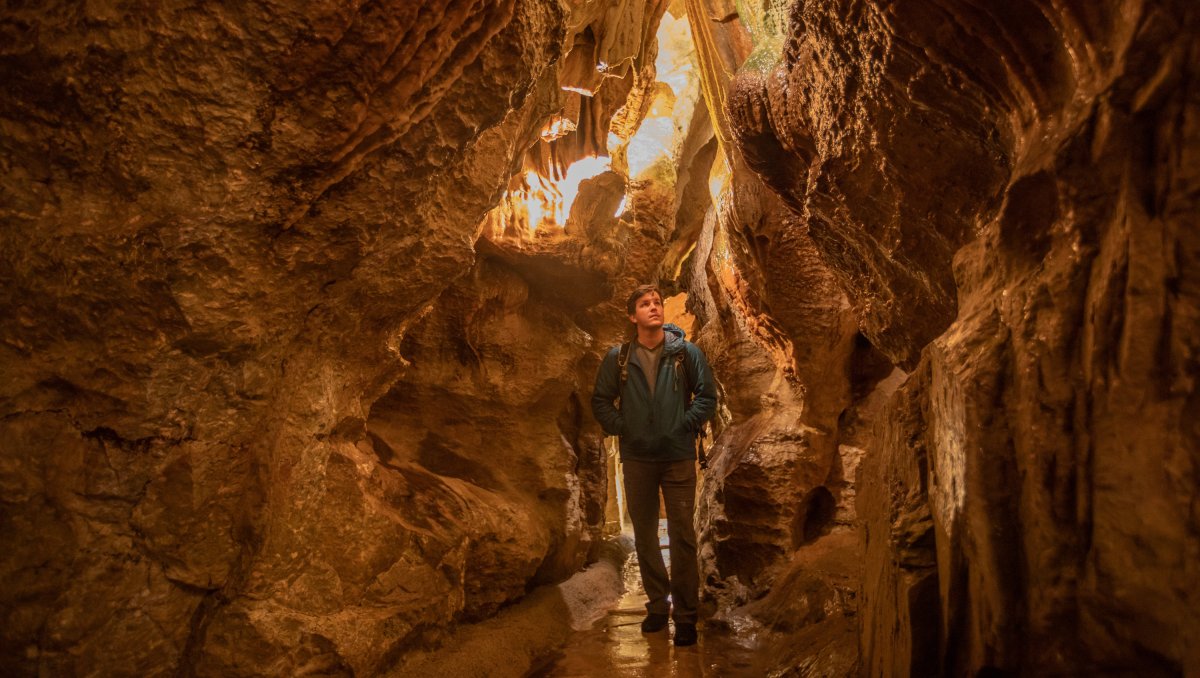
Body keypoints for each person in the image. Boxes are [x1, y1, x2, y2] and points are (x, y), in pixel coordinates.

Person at [591, 284, 718, 647]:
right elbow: (601, 401)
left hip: (678, 457)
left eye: (657, 303)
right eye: (645, 304)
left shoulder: (686, 354)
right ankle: (658, 608)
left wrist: (685, 423)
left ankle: (687, 616)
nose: (653, 308)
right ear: (633, 316)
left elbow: (707, 395)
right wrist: (622, 428)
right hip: (637, 459)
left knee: (682, 536)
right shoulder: (618, 357)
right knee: (646, 536)